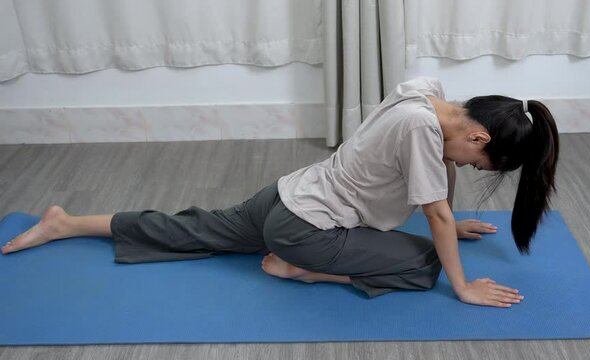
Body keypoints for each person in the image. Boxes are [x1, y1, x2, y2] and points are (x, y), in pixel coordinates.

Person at [1, 77, 559, 308]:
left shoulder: (426, 95)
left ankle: (66, 223)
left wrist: (451, 218)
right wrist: (460, 284)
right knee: (428, 264)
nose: (466, 162)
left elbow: (439, 187)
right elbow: (433, 211)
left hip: (286, 196)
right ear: (479, 134)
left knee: (189, 227)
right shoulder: (420, 131)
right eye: (478, 157)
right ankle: (309, 271)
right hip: (304, 233)